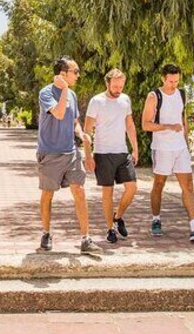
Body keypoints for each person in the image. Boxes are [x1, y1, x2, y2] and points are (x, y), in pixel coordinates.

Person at [142, 64, 194, 242]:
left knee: (189, 186)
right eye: (170, 81)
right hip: (162, 148)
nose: (173, 84)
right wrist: (168, 127)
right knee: (159, 185)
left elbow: (183, 119)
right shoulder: (154, 96)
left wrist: (186, 141)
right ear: (163, 78)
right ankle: (156, 219)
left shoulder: (181, 94)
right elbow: (146, 124)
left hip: (180, 148)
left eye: (176, 81)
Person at [36, 56, 101, 254]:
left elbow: (73, 121)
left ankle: (86, 239)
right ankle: (46, 233)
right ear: (63, 74)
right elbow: (58, 113)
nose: (78, 75)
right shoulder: (46, 93)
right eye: (75, 71)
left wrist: (81, 134)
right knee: (48, 194)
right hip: (50, 152)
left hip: (71, 151)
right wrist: (63, 89)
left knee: (79, 190)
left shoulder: (71, 94)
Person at [83, 68, 139, 244]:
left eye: (121, 86)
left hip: (122, 152)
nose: (118, 89)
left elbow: (129, 125)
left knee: (132, 187)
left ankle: (118, 216)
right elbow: (87, 130)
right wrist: (88, 155)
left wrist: (135, 149)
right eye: (115, 86)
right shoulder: (96, 101)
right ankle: (110, 229)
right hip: (102, 153)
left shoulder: (125, 100)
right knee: (108, 192)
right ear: (107, 83)